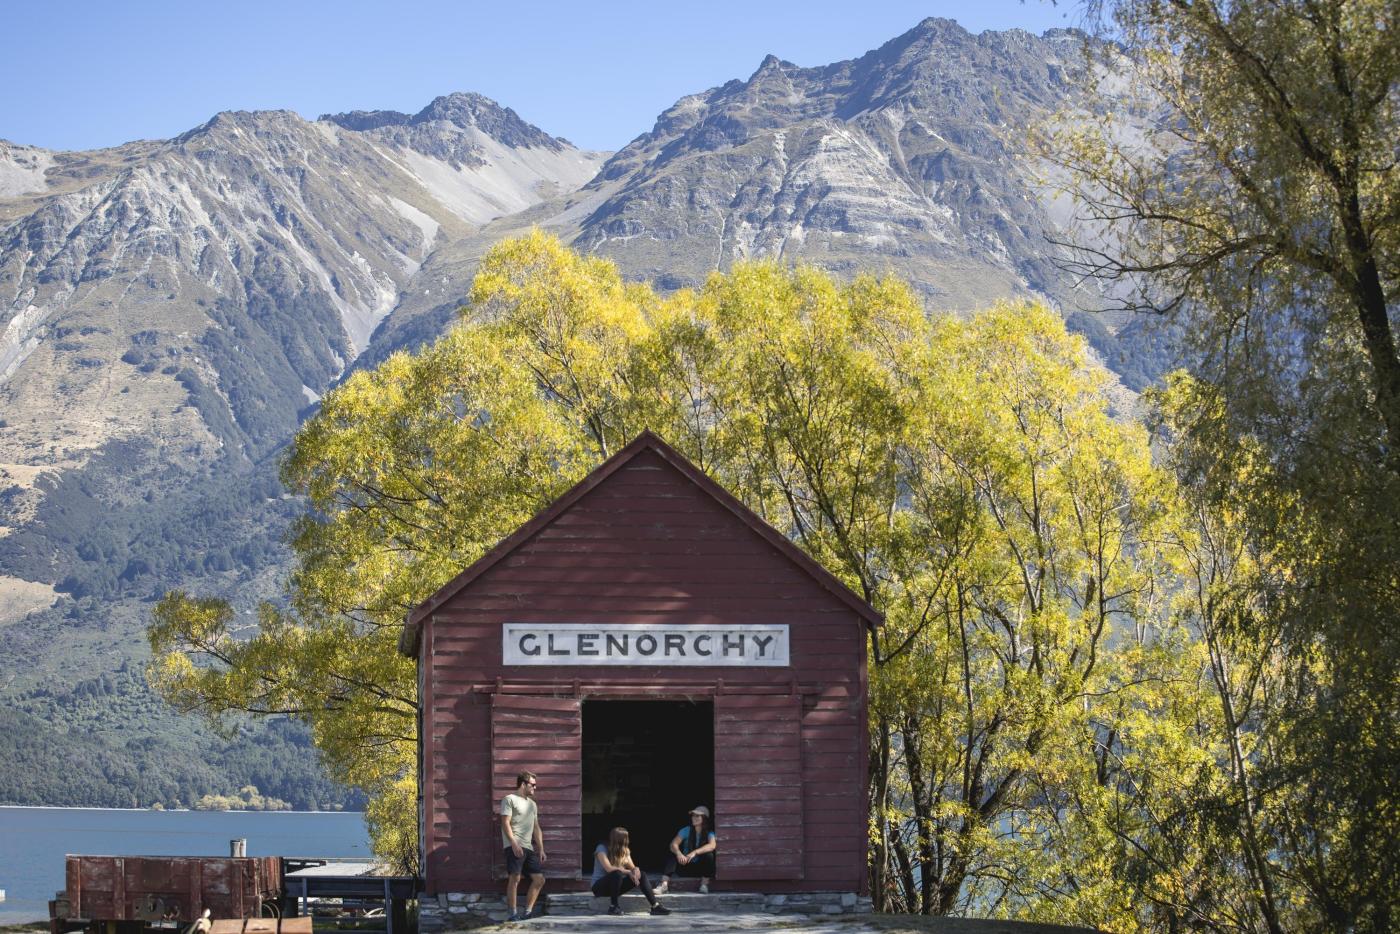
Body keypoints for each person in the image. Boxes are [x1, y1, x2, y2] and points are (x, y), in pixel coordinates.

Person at [591, 827, 671, 916]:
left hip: (615, 887)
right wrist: (628, 872)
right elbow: (609, 869)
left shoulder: (625, 851)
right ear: (619, 839)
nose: (627, 840)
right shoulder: (602, 848)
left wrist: (636, 870)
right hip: (599, 888)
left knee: (642, 874)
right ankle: (614, 906)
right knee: (617, 874)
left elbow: (632, 867)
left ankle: (655, 906)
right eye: (625, 838)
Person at [500, 769, 546, 922]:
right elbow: (505, 822)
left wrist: (541, 849)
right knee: (515, 878)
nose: (535, 787)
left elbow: (536, 827)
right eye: (532, 784)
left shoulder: (532, 805)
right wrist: (513, 843)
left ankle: (527, 912)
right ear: (523, 784)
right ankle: (512, 914)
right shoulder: (509, 799)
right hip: (514, 845)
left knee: (539, 879)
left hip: (529, 848)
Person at [657, 805, 717, 894]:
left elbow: (712, 845)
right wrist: (679, 853)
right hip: (685, 865)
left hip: (700, 869)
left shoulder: (710, 833)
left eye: (697, 816)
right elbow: (673, 844)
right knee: (672, 853)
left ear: (704, 818)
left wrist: (695, 852)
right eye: (693, 815)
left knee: (709, 855)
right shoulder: (686, 830)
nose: (694, 818)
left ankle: (704, 885)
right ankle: (664, 885)